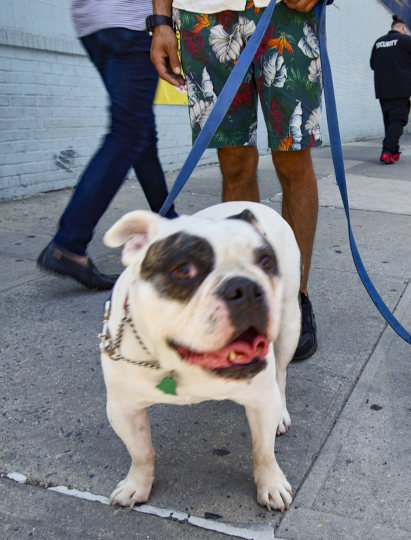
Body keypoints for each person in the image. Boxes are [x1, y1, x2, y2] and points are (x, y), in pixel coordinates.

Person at [150, 0, 326, 360]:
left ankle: (294, 298)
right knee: (234, 163)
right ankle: (245, 298)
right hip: (204, 15)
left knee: (293, 160)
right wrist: (161, 20)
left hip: (284, 13)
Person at [37, 0, 178, 291]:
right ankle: (69, 244)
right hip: (130, 21)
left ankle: (169, 223)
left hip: (92, 22)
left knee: (140, 133)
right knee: (128, 133)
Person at [370, 16, 411, 164]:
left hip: (383, 90)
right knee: (398, 121)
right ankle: (387, 151)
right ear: (403, 28)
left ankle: (394, 152)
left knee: (390, 123)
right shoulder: (406, 40)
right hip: (400, 89)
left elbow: (372, 64)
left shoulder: (378, 42)